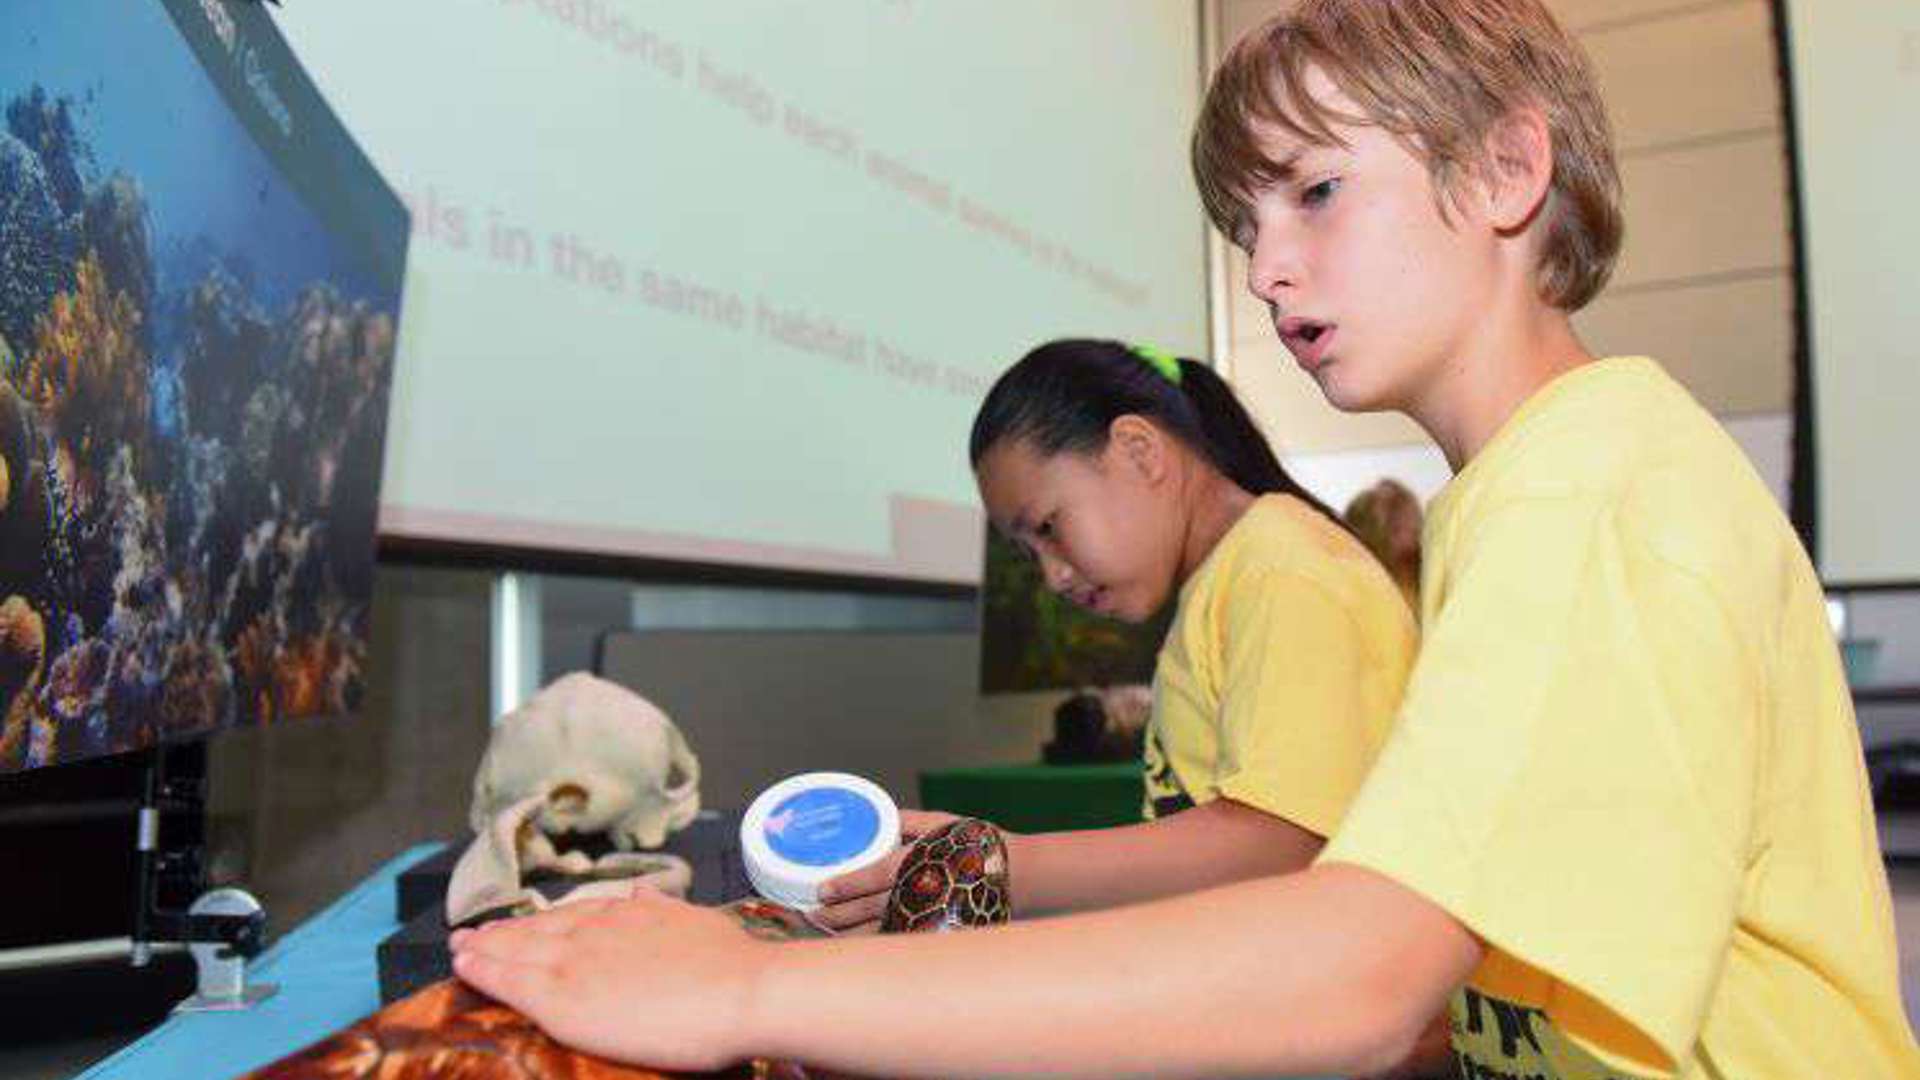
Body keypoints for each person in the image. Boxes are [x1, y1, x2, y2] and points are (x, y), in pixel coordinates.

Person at [450, 2, 1919, 1076]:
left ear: (1502, 173)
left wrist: (749, 998)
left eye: (1317, 193)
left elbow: (1353, 965)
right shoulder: (1528, 493)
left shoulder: (1587, 485)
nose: (1270, 267)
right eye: (1245, 226)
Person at [810, 338, 1418, 934]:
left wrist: (1003, 865)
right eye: (1029, 553)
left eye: (1049, 527)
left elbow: (1280, 838)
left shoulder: (1284, 573)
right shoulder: (1229, 580)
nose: (1051, 575)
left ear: (1139, 450)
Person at [1343, 478, 1423, 615]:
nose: (1402, 517)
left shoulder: (1439, 573)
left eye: (1401, 505)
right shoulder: (1357, 595)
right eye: (1393, 511)